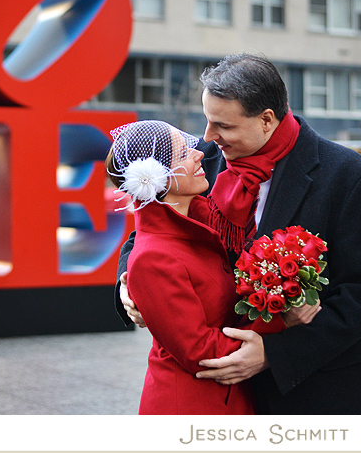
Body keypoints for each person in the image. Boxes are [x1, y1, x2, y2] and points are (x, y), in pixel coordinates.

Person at [116, 52, 361, 415]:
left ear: (266, 120)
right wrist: (126, 285)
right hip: (226, 398)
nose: (208, 137)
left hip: (318, 393)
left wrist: (275, 354)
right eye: (207, 121)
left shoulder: (349, 176)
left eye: (223, 126)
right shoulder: (204, 165)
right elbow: (150, 232)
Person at [107, 120, 317, 414]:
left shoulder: (199, 221)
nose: (200, 153)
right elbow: (200, 351)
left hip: (226, 397)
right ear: (156, 177)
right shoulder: (155, 255)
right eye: (183, 154)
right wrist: (281, 321)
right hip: (191, 405)